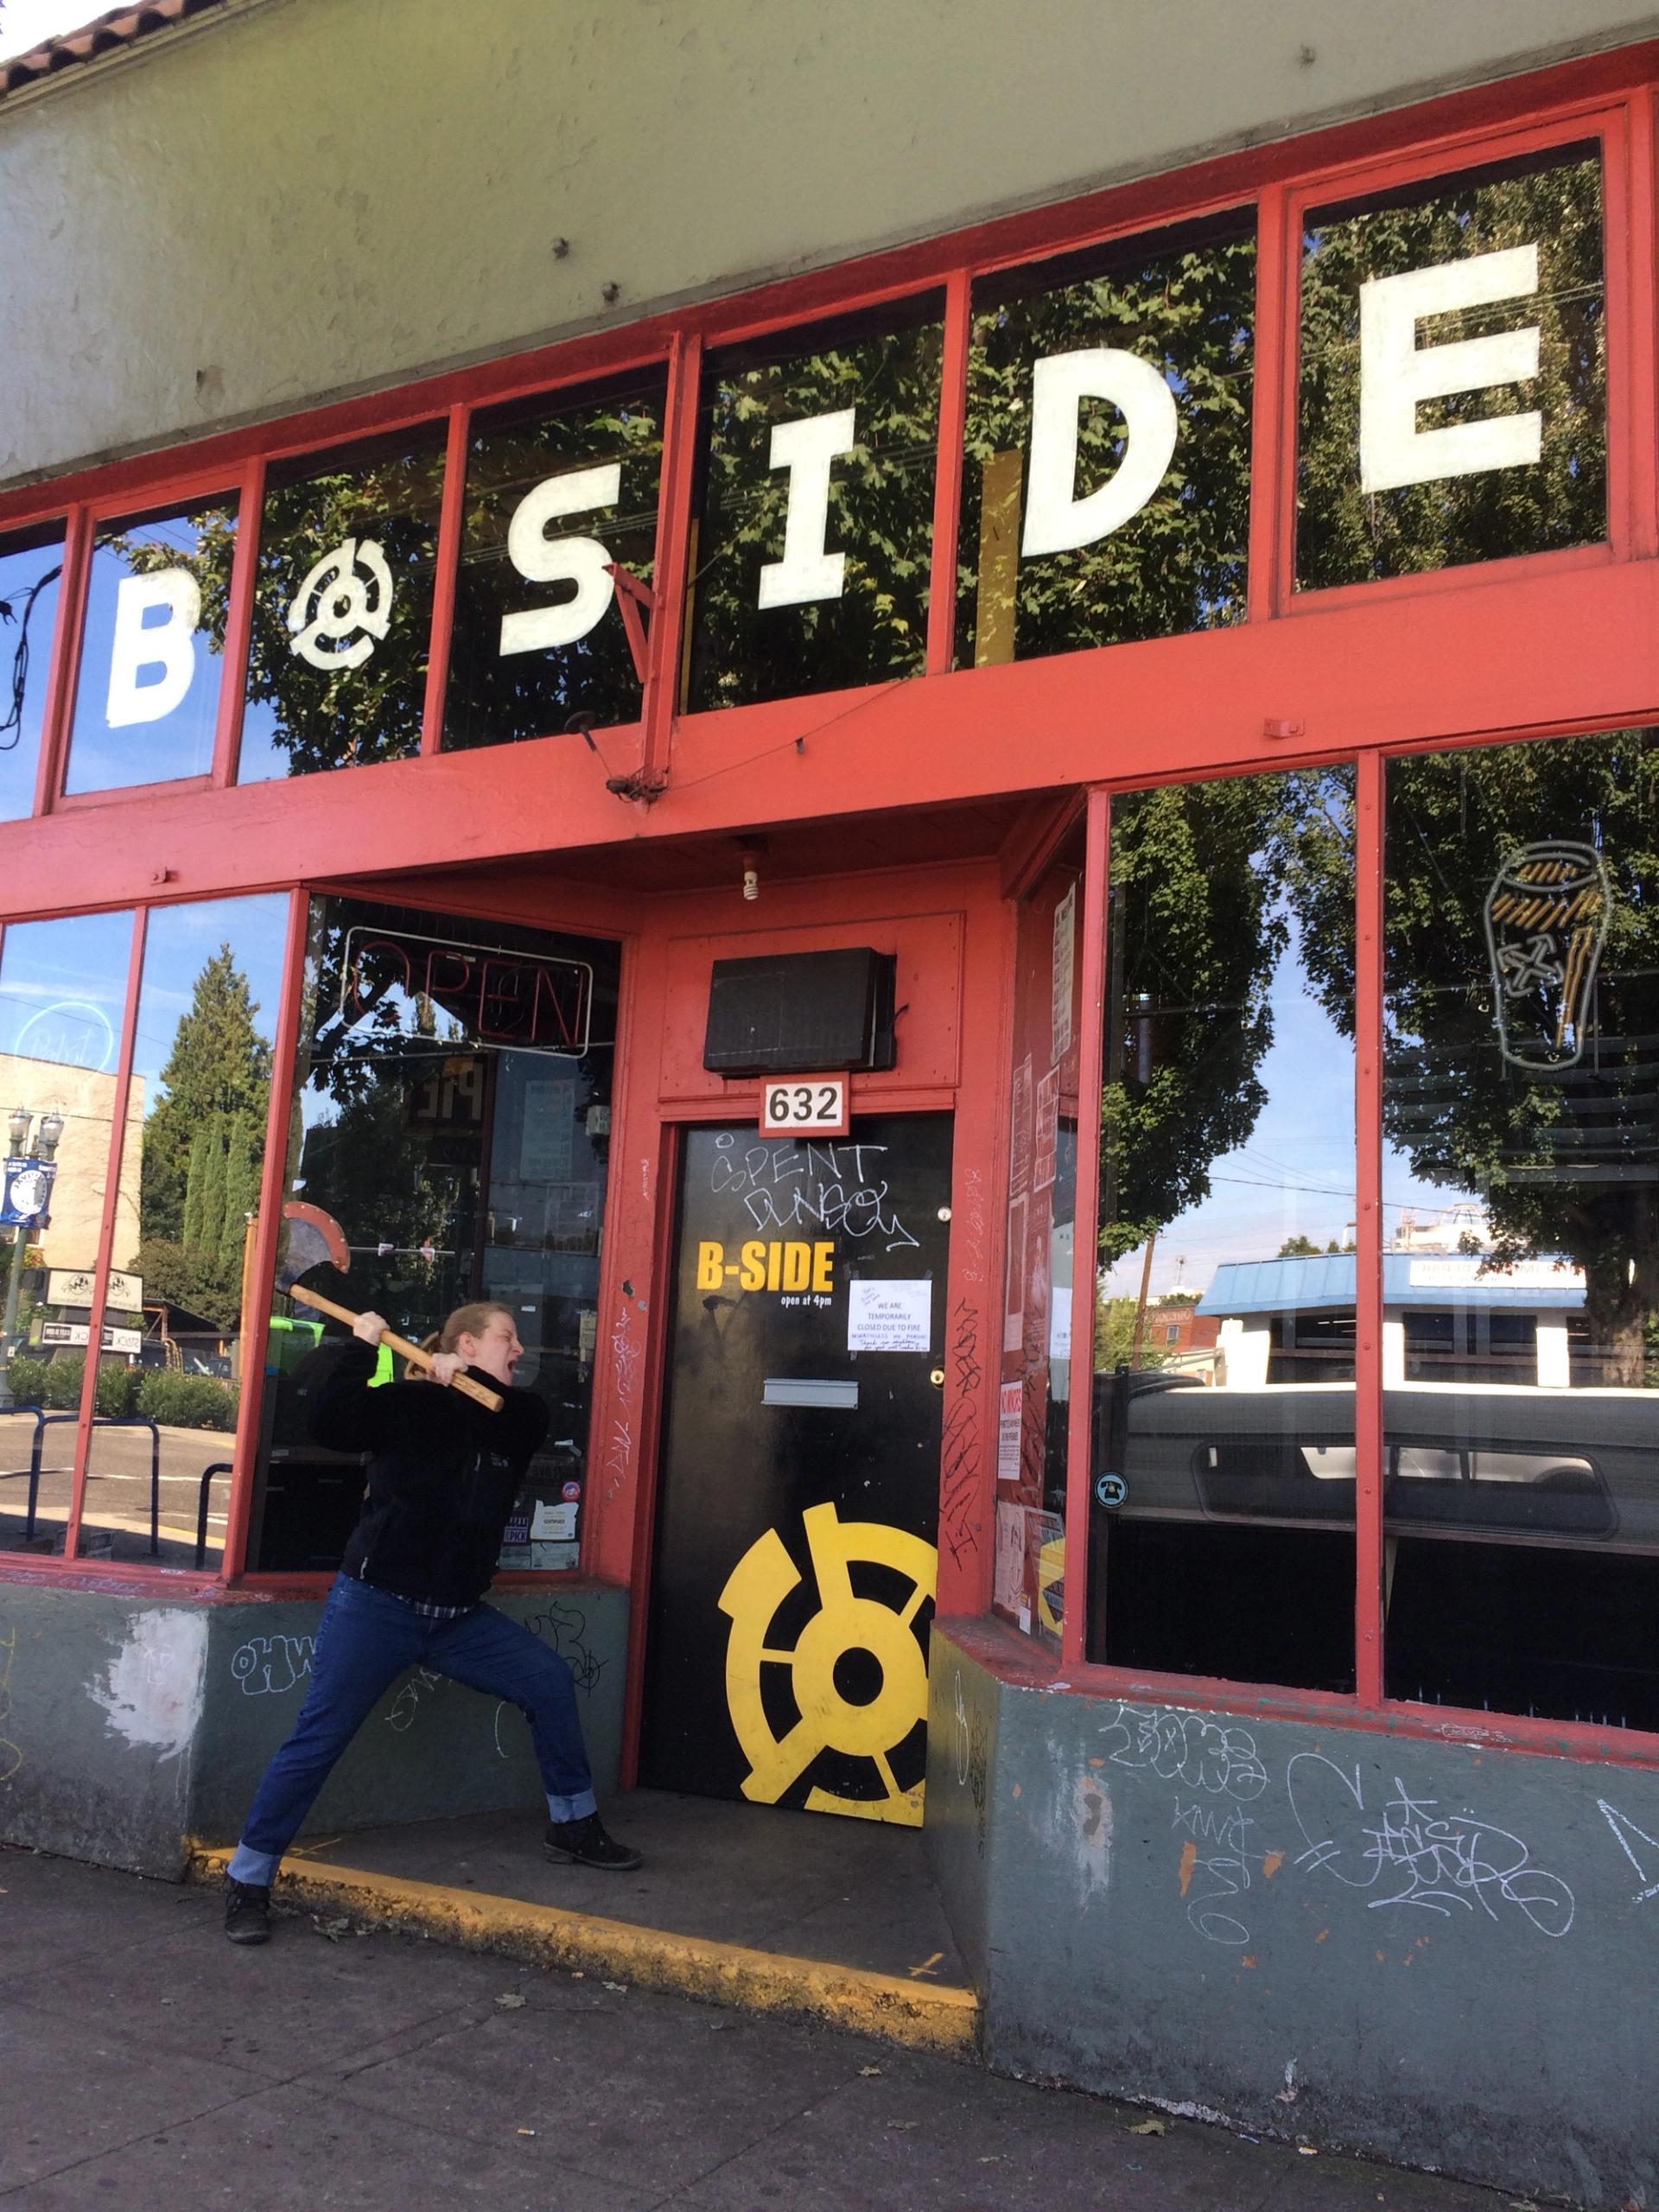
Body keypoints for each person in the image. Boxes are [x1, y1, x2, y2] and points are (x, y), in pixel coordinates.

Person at [224, 1301, 640, 1945]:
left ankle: (573, 1825)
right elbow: (331, 1419)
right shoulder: (409, 1406)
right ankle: (249, 1881)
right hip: (376, 1606)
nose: (521, 1348)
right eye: (508, 1337)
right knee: (317, 1739)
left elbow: (501, 1415)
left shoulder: (520, 1416)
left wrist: (456, 1385)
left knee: (548, 1681)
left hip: (458, 1618)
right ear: (468, 1344)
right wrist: (362, 1350)